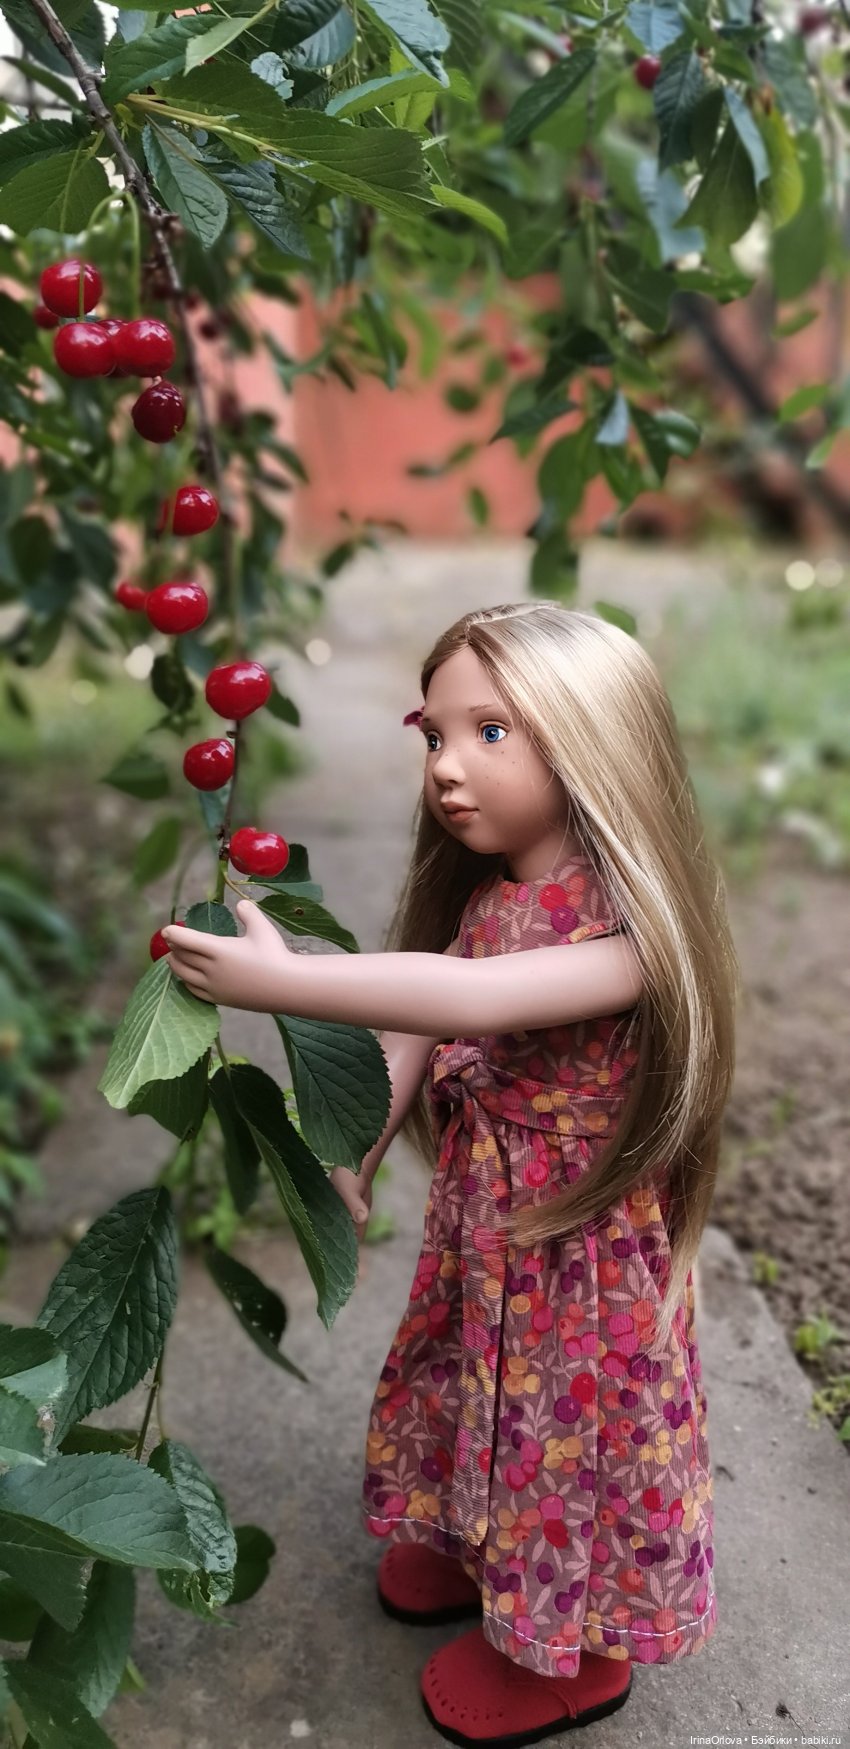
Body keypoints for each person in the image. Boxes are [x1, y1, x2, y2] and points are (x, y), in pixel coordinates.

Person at [162, 602, 741, 1749]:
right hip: (488, 1229)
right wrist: (358, 1146)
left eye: (490, 734)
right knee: (469, 1380)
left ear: (594, 741)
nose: (445, 769)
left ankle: (574, 1649)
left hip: (575, 1265)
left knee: (560, 1435)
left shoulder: (633, 933)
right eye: (435, 735)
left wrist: (289, 985)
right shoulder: (488, 900)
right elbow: (424, 1028)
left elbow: (467, 1000)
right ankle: (477, 1541)